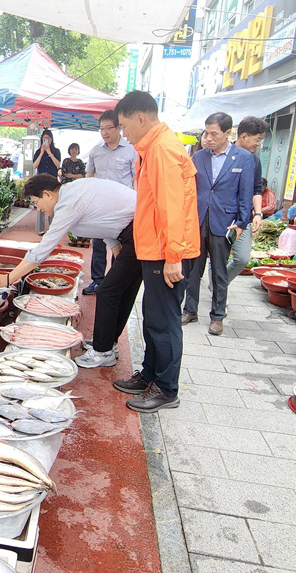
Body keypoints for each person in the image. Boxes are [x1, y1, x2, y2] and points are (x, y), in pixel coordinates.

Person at [0, 174, 140, 368]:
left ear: (47, 194)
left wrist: (9, 278)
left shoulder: (68, 204)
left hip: (140, 230)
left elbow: (43, 250)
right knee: (120, 289)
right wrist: (116, 245)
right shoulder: (72, 192)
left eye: (36, 202)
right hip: (133, 231)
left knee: (108, 291)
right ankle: (108, 343)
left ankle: (103, 351)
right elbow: (103, 218)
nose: (38, 208)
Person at [113, 91, 200, 413]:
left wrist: (173, 257)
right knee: (153, 317)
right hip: (156, 249)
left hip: (167, 252)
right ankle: (150, 374)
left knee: (163, 322)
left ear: (141, 118)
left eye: (124, 126)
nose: (124, 134)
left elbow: (172, 207)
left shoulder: (163, 149)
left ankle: (166, 388)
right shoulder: (152, 148)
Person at [181, 112, 254, 336]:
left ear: (228, 133)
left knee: (219, 272)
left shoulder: (243, 158)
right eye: (206, 133)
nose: (208, 138)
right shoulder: (199, 157)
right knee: (192, 269)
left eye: (214, 134)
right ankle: (190, 309)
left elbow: (246, 193)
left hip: (225, 222)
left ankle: (217, 316)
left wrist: (241, 223)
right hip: (198, 219)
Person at [83, 110, 137, 295]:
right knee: (98, 246)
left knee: (120, 249)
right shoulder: (96, 151)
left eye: (108, 128)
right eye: (101, 129)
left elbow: (136, 179)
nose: (104, 132)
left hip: (123, 209)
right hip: (100, 207)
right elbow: (89, 176)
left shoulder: (131, 150)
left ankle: (116, 282)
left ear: (119, 127)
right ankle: (97, 281)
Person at [225, 116, 269, 283]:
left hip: (243, 218)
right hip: (222, 215)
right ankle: (219, 293)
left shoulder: (254, 160)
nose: (258, 144)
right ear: (243, 136)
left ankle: (221, 284)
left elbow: (256, 189)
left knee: (242, 258)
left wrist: (258, 213)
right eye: (257, 140)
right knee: (219, 258)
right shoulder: (225, 155)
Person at [32, 130, 61, 235]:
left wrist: (50, 153)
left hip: (52, 180)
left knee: (52, 203)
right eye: (44, 139)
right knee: (40, 203)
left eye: (48, 139)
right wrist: (41, 153)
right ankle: (40, 228)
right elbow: (34, 165)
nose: (46, 141)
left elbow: (58, 164)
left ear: (51, 140)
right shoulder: (37, 152)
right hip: (40, 180)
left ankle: (53, 228)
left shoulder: (56, 151)